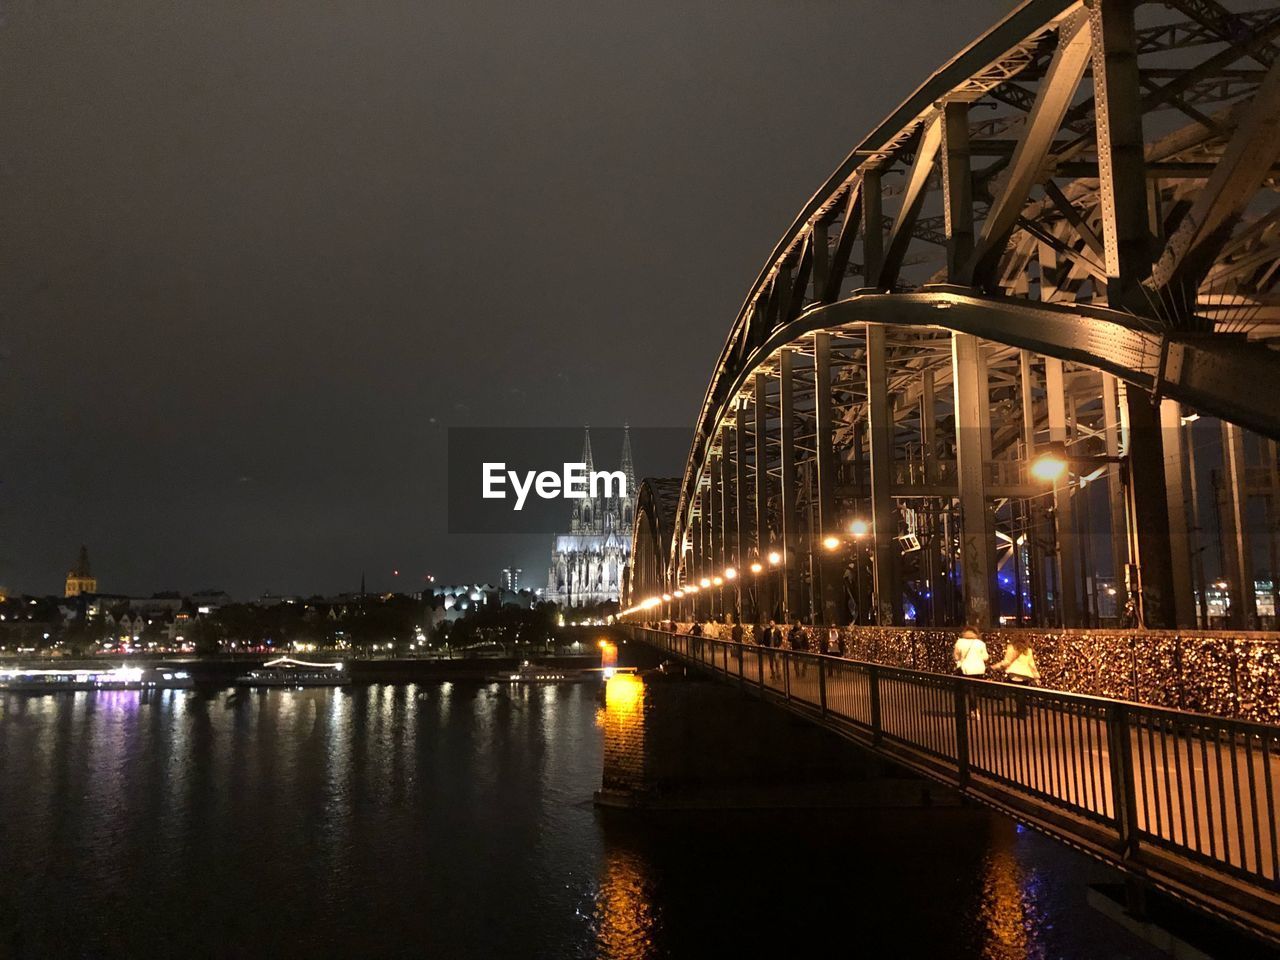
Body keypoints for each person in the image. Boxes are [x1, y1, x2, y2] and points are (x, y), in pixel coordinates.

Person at [993, 636, 1039, 718]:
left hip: (1013, 673)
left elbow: (1007, 662)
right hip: (1025, 675)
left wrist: (996, 666)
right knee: (1022, 694)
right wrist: (1036, 676)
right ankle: (1022, 711)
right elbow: (1032, 664)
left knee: (1016, 694)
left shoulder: (1011, 648)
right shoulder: (1028, 650)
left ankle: (1021, 711)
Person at [952, 627, 989, 715]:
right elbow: (985, 657)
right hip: (979, 669)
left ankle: (973, 709)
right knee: (974, 689)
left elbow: (956, 657)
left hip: (966, 669)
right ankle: (974, 709)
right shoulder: (980, 643)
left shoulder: (959, 642)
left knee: (968, 689)